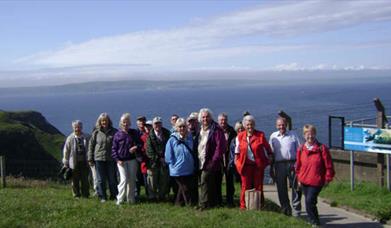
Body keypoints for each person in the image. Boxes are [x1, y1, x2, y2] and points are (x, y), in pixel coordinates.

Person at [296, 124, 335, 226]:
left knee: (310, 201)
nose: (310, 136)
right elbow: (298, 166)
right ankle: (314, 221)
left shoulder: (322, 148)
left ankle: (314, 222)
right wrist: (299, 179)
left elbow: (329, 165)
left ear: (315, 134)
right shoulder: (301, 149)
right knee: (310, 203)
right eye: (307, 134)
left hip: (316, 181)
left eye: (312, 134)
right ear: (304, 135)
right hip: (304, 180)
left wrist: (328, 178)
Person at [235, 115, 273, 209]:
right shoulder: (240, 136)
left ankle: (259, 205)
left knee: (258, 186)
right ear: (244, 125)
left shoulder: (260, 135)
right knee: (245, 186)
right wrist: (237, 163)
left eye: (251, 124)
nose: (249, 127)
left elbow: (268, 149)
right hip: (245, 165)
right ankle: (243, 206)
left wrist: (268, 160)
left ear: (254, 125)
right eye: (247, 125)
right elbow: (237, 151)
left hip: (257, 166)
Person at [269, 117, 302, 216]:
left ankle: (296, 210)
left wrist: (299, 165)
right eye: (279, 125)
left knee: (296, 187)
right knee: (281, 188)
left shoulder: (293, 135)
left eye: (283, 124)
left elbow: (300, 150)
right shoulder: (273, 136)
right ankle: (286, 209)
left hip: (293, 163)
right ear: (276, 126)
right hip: (279, 164)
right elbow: (271, 153)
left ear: (286, 125)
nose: (281, 127)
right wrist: (271, 168)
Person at [197, 108, 226, 210]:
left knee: (204, 180)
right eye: (203, 117)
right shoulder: (200, 129)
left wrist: (214, 160)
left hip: (210, 161)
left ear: (211, 117)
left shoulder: (216, 129)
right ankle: (213, 203)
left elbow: (220, 147)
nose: (205, 119)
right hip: (201, 160)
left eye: (207, 116)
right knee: (209, 183)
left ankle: (203, 204)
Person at [165, 118, 196, 206]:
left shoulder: (190, 138)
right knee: (185, 188)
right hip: (177, 169)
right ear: (176, 128)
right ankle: (189, 204)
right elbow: (168, 155)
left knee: (181, 188)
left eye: (184, 126)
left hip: (188, 168)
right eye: (180, 127)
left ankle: (178, 203)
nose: (182, 128)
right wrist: (173, 164)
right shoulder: (172, 140)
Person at [112, 113, 141, 205]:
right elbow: (113, 149)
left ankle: (131, 199)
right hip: (121, 161)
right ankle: (120, 200)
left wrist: (135, 147)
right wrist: (117, 159)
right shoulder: (117, 135)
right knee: (124, 180)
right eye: (124, 122)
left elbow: (140, 144)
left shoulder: (134, 133)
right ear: (121, 123)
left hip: (132, 160)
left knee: (132, 180)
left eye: (127, 122)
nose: (125, 124)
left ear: (130, 123)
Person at [88, 113, 118, 203]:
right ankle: (102, 197)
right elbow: (91, 146)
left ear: (109, 121)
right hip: (99, 159)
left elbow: (117, 145)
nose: (104, 122)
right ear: (100, 122)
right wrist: (90, 158)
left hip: (111, 159)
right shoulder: (96, 132)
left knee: (112, 179)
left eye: (106, 120)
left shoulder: (114, 131)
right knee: (100, 179)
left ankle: (114, 195)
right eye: (102, 121)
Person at [62, 120, 90, 198]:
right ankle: (76, 195)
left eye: (79, 127)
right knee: (75, 180)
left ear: (82, 127)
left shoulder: (87, 137)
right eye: (75, 127)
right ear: (73, 128)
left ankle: (85, 195)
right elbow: (66, 150)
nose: (77, 129)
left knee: (85, 180)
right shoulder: (70, 138)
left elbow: (90, 149)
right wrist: (65, 162)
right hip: (73, 163)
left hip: (85, 162)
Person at [146, 116, 171, 201]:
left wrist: (166, 158)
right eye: (156, 124)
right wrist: (159, 158)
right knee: (152, 180)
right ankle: (152, 197)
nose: (157, 125)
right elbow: (149, 151)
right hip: (153, 162)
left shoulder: (167, 134)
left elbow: (170, 147)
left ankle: (162, 196)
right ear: (153, 125)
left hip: (165, 161)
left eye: (159, 123)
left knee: (164, 179)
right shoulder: (149, 136)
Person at [217, 113, 237, 206]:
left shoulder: (232, 131)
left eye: (224, 119)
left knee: (230, 182)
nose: (223, 122)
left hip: (229, 159)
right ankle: (219, 200)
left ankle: (230, 201)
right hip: (219, 160)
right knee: (218, 181)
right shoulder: (215, 130)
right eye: (221, 120)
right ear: (218, 121)